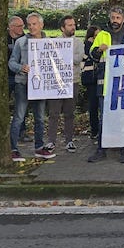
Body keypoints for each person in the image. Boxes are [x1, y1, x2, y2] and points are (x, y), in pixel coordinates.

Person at [87, 5, 124, 163]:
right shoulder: (102, 34)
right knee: (104, 118)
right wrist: (98, 50)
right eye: (113, 18)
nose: (115, 21)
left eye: (118, 18)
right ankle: (101, 149)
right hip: (105, 84)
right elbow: (92, 55)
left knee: (123, 117)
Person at [8, 12, 53, 161]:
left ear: (41, 25)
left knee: (40, 118)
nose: (32, 27)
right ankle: (13, 149)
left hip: (41, 86)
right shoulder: (21, 42)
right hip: (23, 83)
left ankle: (39, 148)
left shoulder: (50, 42)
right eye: (29, 25)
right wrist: (21, 67)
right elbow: (11, 62)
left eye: (34, 24)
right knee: (19, 117)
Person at [45, 15, 82, 153]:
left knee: (69, 113)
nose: (73, 27)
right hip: (57, 82)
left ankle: (69, 140)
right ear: (62, 28)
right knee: (53, 113)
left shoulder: (78, 42)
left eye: (74, 24)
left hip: (72, 81)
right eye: (70, 25)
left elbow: (78, 59)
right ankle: (51, 141)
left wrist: (63, 56)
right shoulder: (55, 42)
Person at [6, 16, 27, 142]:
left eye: (23, 26)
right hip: (6, 77)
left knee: (21, 106)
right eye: (19, 26)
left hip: (20, 77)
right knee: (4, 105)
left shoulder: (25, 39)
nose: (22, 28)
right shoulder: (3, 38)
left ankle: (21, 132)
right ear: (11, 27)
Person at [81, 24, 102, 142]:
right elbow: (91, 57)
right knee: (93, 106)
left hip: (98, 77)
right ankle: (95, 131)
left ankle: (99, 130)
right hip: (91, 79)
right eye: (96, 36)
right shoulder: (88, 45)